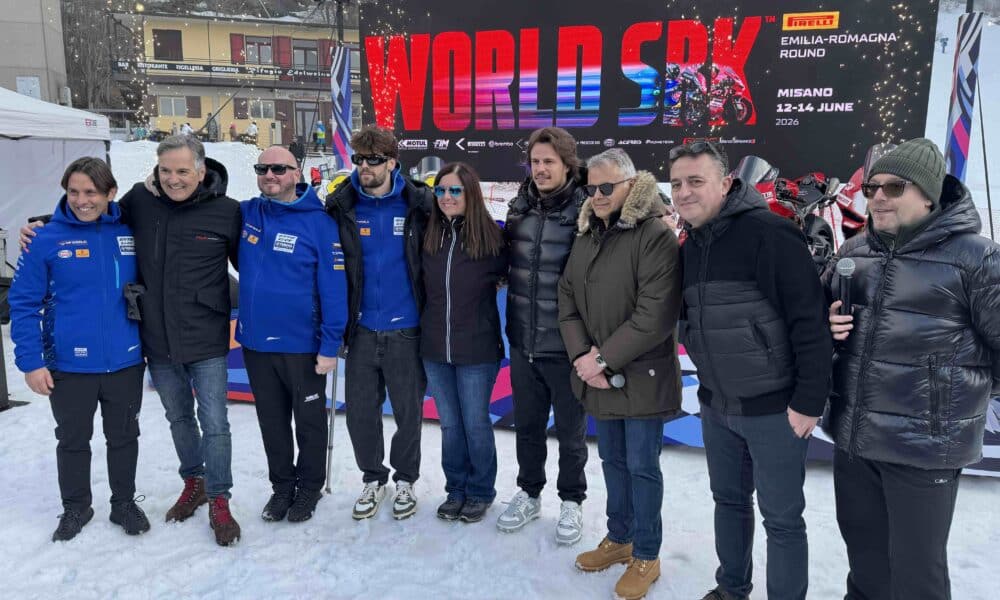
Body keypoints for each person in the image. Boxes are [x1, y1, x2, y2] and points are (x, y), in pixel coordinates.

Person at [21, 135, 243, 546]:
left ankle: (219, 499)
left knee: (215, 423)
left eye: (182, 171)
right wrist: (43, 225)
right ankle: (193, 482)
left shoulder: (227, 212)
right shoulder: (140, 201)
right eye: (166, 170)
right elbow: (93, 211)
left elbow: (254, 265)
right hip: (157, 340)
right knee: (178, 419)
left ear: (200, 171)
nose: (174, 179)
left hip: (205, 339)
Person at [824, 138, 1000, 600]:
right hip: (855, 441)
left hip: (925, 449)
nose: (878, 197)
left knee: (917, 577)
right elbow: (814, 324)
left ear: (929, 195)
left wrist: (954, 396)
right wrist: (827, 324)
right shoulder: (854, 252)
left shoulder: (977, 258)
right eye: (872, 188)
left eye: (894, 187)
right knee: (865, 566)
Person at [670, 140, 832, 600]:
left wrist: (808, 401)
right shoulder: (691, 244)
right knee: (729, 502)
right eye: (677, 183)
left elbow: (809, 322)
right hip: (717, 406)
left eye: (696, 181)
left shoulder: (770, 233)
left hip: (775, 411)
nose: (684, 192)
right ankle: (731, 588)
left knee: (781, 519)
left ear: (725, 184)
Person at [559, 148, 681, 600]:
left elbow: (654, 315)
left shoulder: (655, 234)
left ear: (632, 185)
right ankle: (621, 537)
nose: (597, 195)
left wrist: (600, 360)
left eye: (606, 187)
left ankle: (646, 553)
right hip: (598, 375)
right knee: (612, 461)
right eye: (591, 188)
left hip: (640, 377)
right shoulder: (587, 234)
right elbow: (567, 298)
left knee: (642, 467)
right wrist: (582, 356)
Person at [10, 158, 149, 542]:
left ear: (111, 193)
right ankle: (76, 507)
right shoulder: (45, 239)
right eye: (73, 192)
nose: (81, 200)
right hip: (70, 365)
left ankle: (124, 504)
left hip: (125, 360)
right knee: (72, 441)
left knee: (124, 437)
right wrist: (31, 362)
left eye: (91, 192)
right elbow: (23, 304)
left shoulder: (131, 231)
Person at [325, 126, 433, 521]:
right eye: (359, 159)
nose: (365, 166)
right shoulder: (341, 205)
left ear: (392, 162)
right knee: (360, 414)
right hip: (361, 331)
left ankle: (405, 479)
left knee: (408, 413)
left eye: (373, 159)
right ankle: (373, 478)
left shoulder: (419, 202)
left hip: (407, 330)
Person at [237, 146, 349, 523]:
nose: (270, 175)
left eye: (279, 169)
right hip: (255, 343)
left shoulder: (320, 224)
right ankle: (282, 487)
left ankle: (309, 488)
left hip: (302, 346)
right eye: (263, 168)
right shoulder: (248, 213)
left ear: (296, 174)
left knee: (310, 423)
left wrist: (330, 345)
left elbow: (334, 290)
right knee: (272, 423)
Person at [497, 126, 589, 545]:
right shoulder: (520, 207)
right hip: (523, 341)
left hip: (567, 347)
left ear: (567, 164)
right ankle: (529, 493)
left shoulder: (587, 210)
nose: (541, 169)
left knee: (571, 434)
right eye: (535, 161)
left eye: (549, 161)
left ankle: (571, 500)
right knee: (528, 428)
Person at [420, 162, 507, 523]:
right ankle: (455, 488)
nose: (446, 197)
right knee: (450, 425)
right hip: (434, 349)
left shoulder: (493, 237)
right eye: (441, 190)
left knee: (475, 424)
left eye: (455, 190)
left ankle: (480, 491)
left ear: (470, 192)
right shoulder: (428, 234)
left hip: (477, 350)